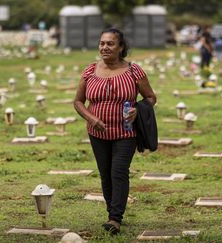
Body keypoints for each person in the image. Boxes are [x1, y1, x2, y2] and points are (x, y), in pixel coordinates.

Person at [74, 28, 156, 234]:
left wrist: (137, 109)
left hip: (125, 132)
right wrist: (91, 118)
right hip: (97, 133)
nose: (104, 47)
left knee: (118, 172)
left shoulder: (134, 71)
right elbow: (78, 102)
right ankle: (112, 212)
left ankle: (115, 218)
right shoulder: (90, 71)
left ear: (121, 47)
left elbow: (151, 97)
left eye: (110, 44)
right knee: (105, 174)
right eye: (102, 43)